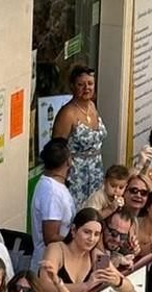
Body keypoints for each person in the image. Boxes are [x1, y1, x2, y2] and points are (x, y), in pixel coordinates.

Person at [53, 65, 107, 205]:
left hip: (96, 173)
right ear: (72, 86)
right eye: (81, 84)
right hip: (75, 176)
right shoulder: (67, 113)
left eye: (90, 84)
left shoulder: (92, 106)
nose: (86, 88)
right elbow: (57, 148)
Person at [30, 139, 75, 263]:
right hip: (49, 263)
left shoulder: (54, 185)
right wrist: (75, 243)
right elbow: (50, 237)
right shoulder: (52, 192)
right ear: (68, 161)